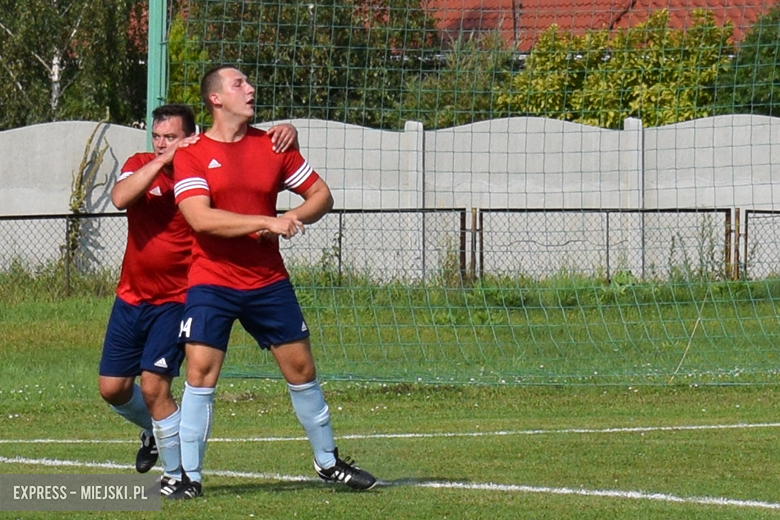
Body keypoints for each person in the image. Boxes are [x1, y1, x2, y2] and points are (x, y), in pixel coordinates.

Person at [170, 65, 377, 499]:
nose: (250, 89)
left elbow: (322, 195)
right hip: (212, 281)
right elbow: (199, 218)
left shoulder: (274, 144)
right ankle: (190, 478)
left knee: (302, 369)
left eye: (248, 81)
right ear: (215, 99)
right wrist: (265, 220)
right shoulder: (191, 152)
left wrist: (292, 218)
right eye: (238, 84)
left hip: (267, 281)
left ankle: (328, 463)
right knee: (201, 373)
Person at [98, 103, 299, 498]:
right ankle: (153, 432)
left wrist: (287, 130)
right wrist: (164, 158)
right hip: (131, 297)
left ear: (190, 135)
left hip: (178, 298)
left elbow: (244, 156)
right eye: (156, 136)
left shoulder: (200, 171)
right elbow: (121, 197)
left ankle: (178, 477)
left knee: (156, 387)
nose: (160, 144)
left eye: (170, 137)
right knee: (112, 389)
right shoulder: (142, 164)